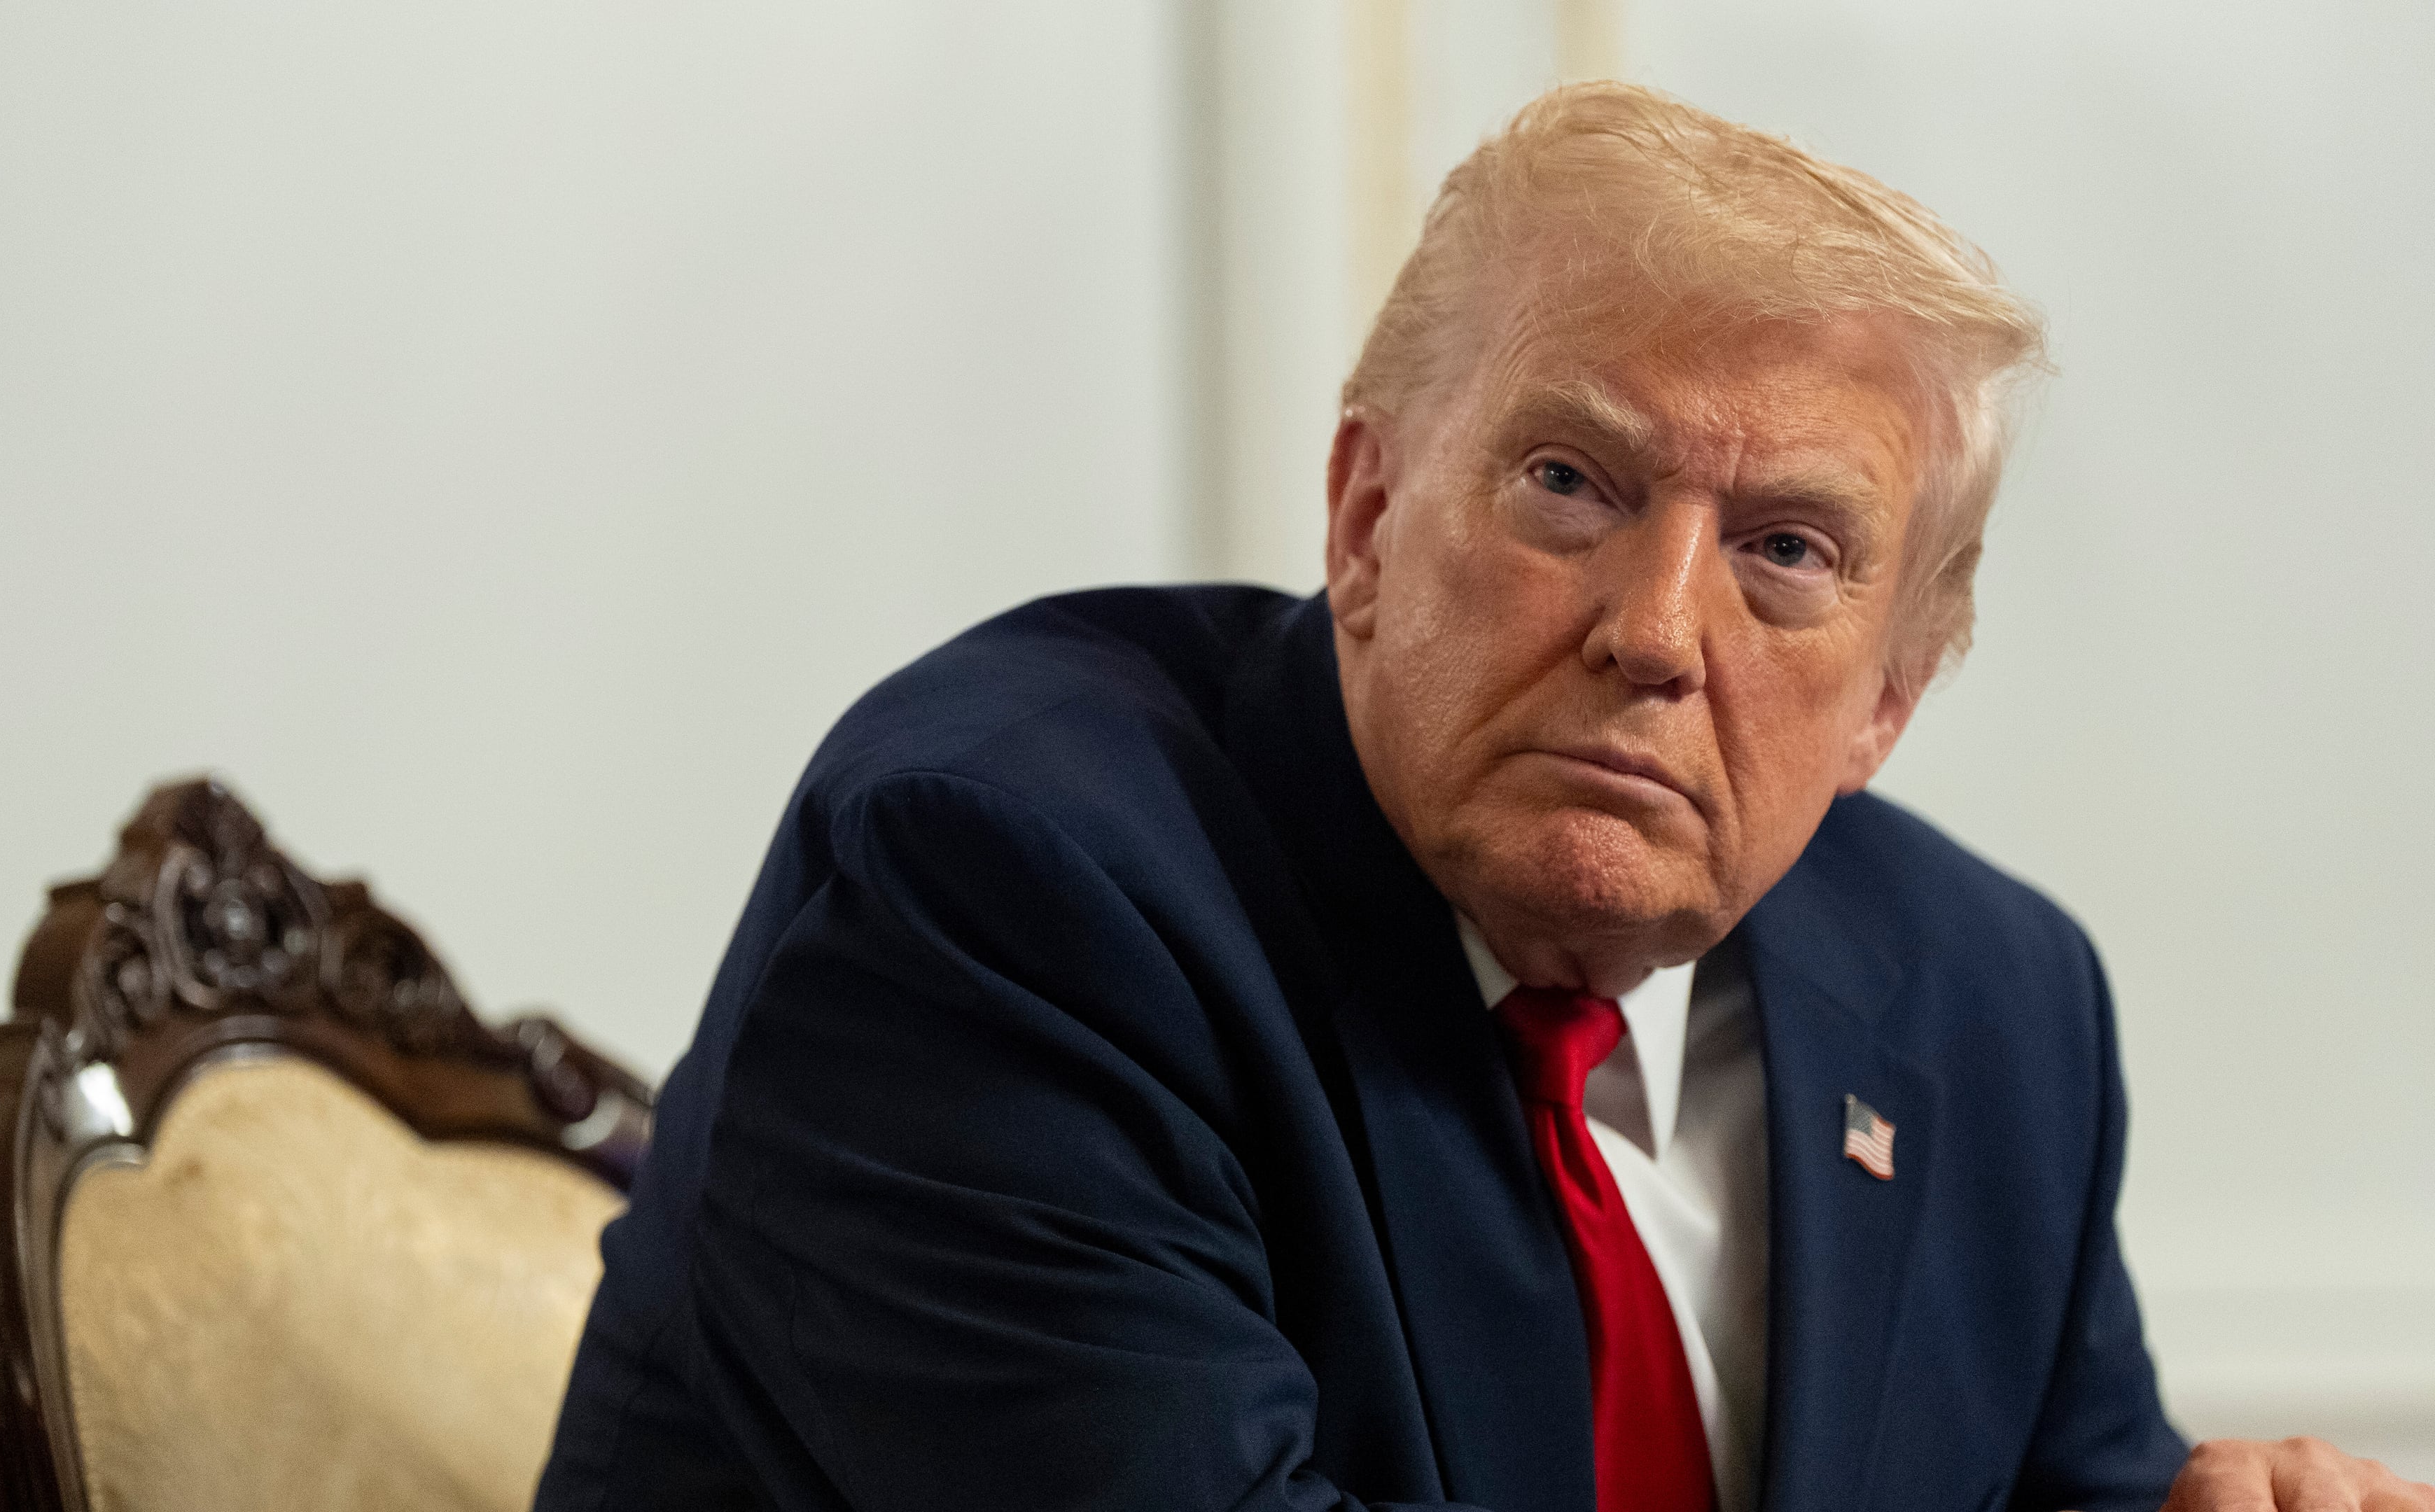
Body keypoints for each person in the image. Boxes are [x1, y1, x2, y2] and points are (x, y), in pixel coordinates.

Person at [536, 84, 2432, 1512]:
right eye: (1572, 487)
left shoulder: (1987, 1001)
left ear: (1891, 701)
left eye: (1786, 550)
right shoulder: (1006, 890)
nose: (1659, 631)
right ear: (1366, 515)